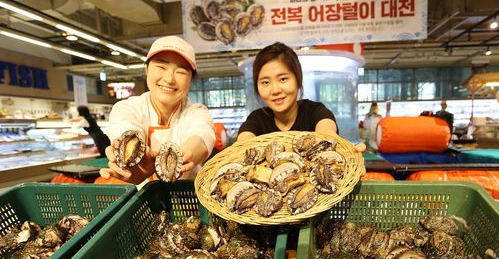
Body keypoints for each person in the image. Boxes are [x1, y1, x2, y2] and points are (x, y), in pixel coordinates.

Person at [99, 36, 215, 185]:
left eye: (181, 72)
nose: (169, 79)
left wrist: (176, 160)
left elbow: (201, 139)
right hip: (139, 201)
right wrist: (131, 157)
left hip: (184, 201)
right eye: (161, 67)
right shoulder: (127, 108)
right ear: (147, 69)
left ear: (190, 80)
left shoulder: (196, 112)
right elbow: (125, 128)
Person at [237, 42, 365, 154]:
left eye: (283, 79)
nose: (275, 90)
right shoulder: (256, 120)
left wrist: (345, 148)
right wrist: (239, 149)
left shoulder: (316, 111)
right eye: (265, 82)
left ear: (298, 79)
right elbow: (243, 141)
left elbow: (326, 132)